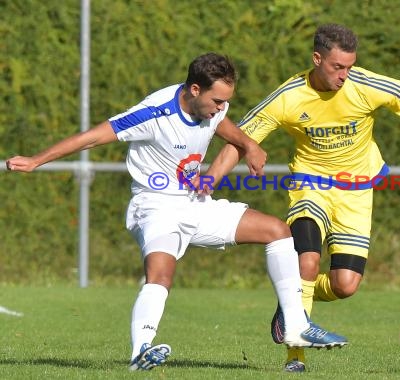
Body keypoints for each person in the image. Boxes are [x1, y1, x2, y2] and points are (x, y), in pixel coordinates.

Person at [4, 52, 347, 371]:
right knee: (161, 274)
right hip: (155, 207)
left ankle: (296, 326)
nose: (220, 108)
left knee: (277, 230)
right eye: (216, 101)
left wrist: (248, 143)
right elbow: (90, 138)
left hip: (194, 203)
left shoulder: (210, 107)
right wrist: (37, 160)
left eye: (225, 101)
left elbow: (222, 126)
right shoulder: (154, 114)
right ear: (194, 89)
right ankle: (141, 351)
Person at [202, 24, 400, 372]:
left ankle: (292, 297)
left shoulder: (365, 85)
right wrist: (210, 179)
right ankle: (294, 357)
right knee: (308, 259)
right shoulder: (288, 96)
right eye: (337, 67)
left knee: (345, 286)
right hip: (310, 186)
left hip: (357, 193)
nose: (345, 75)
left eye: (349, 66)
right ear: (317, 59)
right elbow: (238, 140)